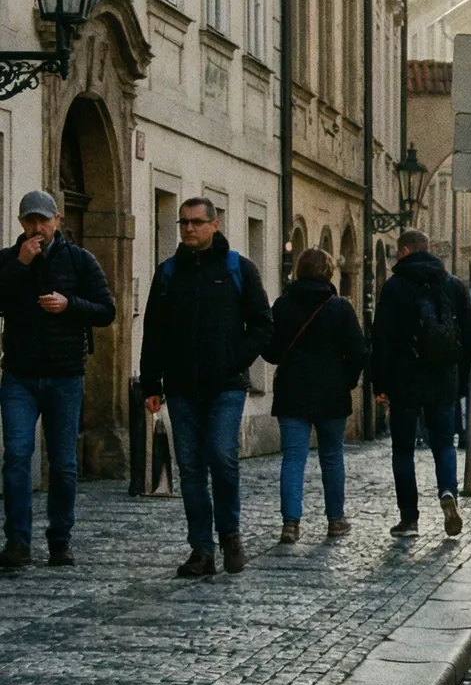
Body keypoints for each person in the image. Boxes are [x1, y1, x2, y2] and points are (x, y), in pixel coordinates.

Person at [141, 198, 274, 578]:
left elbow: (263, 324)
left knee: (222, 456)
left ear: (214, 225)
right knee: (192, 468)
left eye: (196, 223)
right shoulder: (168, 273)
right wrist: (151, 383)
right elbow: (155, 332)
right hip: (182, 387)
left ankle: (230, 534)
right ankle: (201, 549)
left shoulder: (237, 269)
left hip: (225, 386)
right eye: (183, 223)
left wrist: (235, 358)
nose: (188, 229)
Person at [0, 191, 116, 570]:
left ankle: (59, 540)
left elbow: (106, 310)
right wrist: (20, 265)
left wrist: (70, 306)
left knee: (64, 463)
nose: (37, 228)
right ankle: (16, 542)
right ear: (21, 223)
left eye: (43, 220)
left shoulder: (80, 260)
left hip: (65, 374)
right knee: (17, 456)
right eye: (30, 221)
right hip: (19, 375)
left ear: (58, 220)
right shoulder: (8, 260)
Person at [371, 229, 471, 538]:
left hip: (404, 381)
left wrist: (380, 383)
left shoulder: (394, 288)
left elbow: (382, 338)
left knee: (403, 449)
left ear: (404, 251)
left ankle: (409, 520)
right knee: (444, 443)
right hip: (443, 378)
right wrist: (460, 378)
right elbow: (468, 337)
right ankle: (447, 492)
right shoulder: (453, 285)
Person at [263, 248, 364, 544]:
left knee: (293, 458)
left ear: (299, 271)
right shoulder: (340, 308)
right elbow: (358, 352)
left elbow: (270, 351)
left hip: (292, 392)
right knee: (332, 457)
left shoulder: (283, 305)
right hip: (331, 394)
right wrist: (346, 381)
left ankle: (290, 524)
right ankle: (335, 520)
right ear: (330, 272)